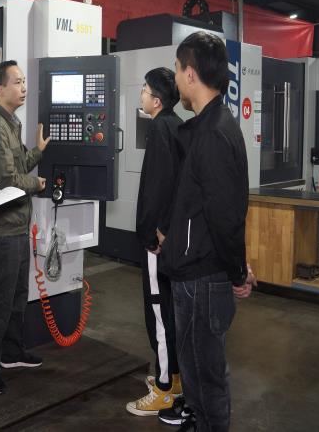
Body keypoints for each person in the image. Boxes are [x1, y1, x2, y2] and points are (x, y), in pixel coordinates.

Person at [157, 32, 257, 432]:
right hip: (194, 270)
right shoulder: (206, 126)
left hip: (203, 278)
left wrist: (237, 272)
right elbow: (199, 203)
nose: (176, 78)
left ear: (191, 74)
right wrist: (172, 234)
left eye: (178, 69)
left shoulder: (214, 132)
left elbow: (225, 216)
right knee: (196, 373)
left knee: (206, 376)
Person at [0, 60, 50, 395]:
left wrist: (38, 152)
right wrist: (37, 183)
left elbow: (16, 167)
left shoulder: (10, 124)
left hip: (17, 228)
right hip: (1, 233)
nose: (24, 87)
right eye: (17, 82)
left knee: (17, 297)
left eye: (24, 81)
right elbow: (7, 180)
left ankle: (11, 352)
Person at [126, 68, 184, 418]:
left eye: (145, 90)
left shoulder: (161, 128)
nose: (142, 96)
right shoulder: (177, 126)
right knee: (170, 311)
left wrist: (152, 234)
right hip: (172, 237)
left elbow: (159, 187)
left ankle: (164, 390)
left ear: (157, 100)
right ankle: (173, 377)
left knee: (159, 314)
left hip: (157, 244)